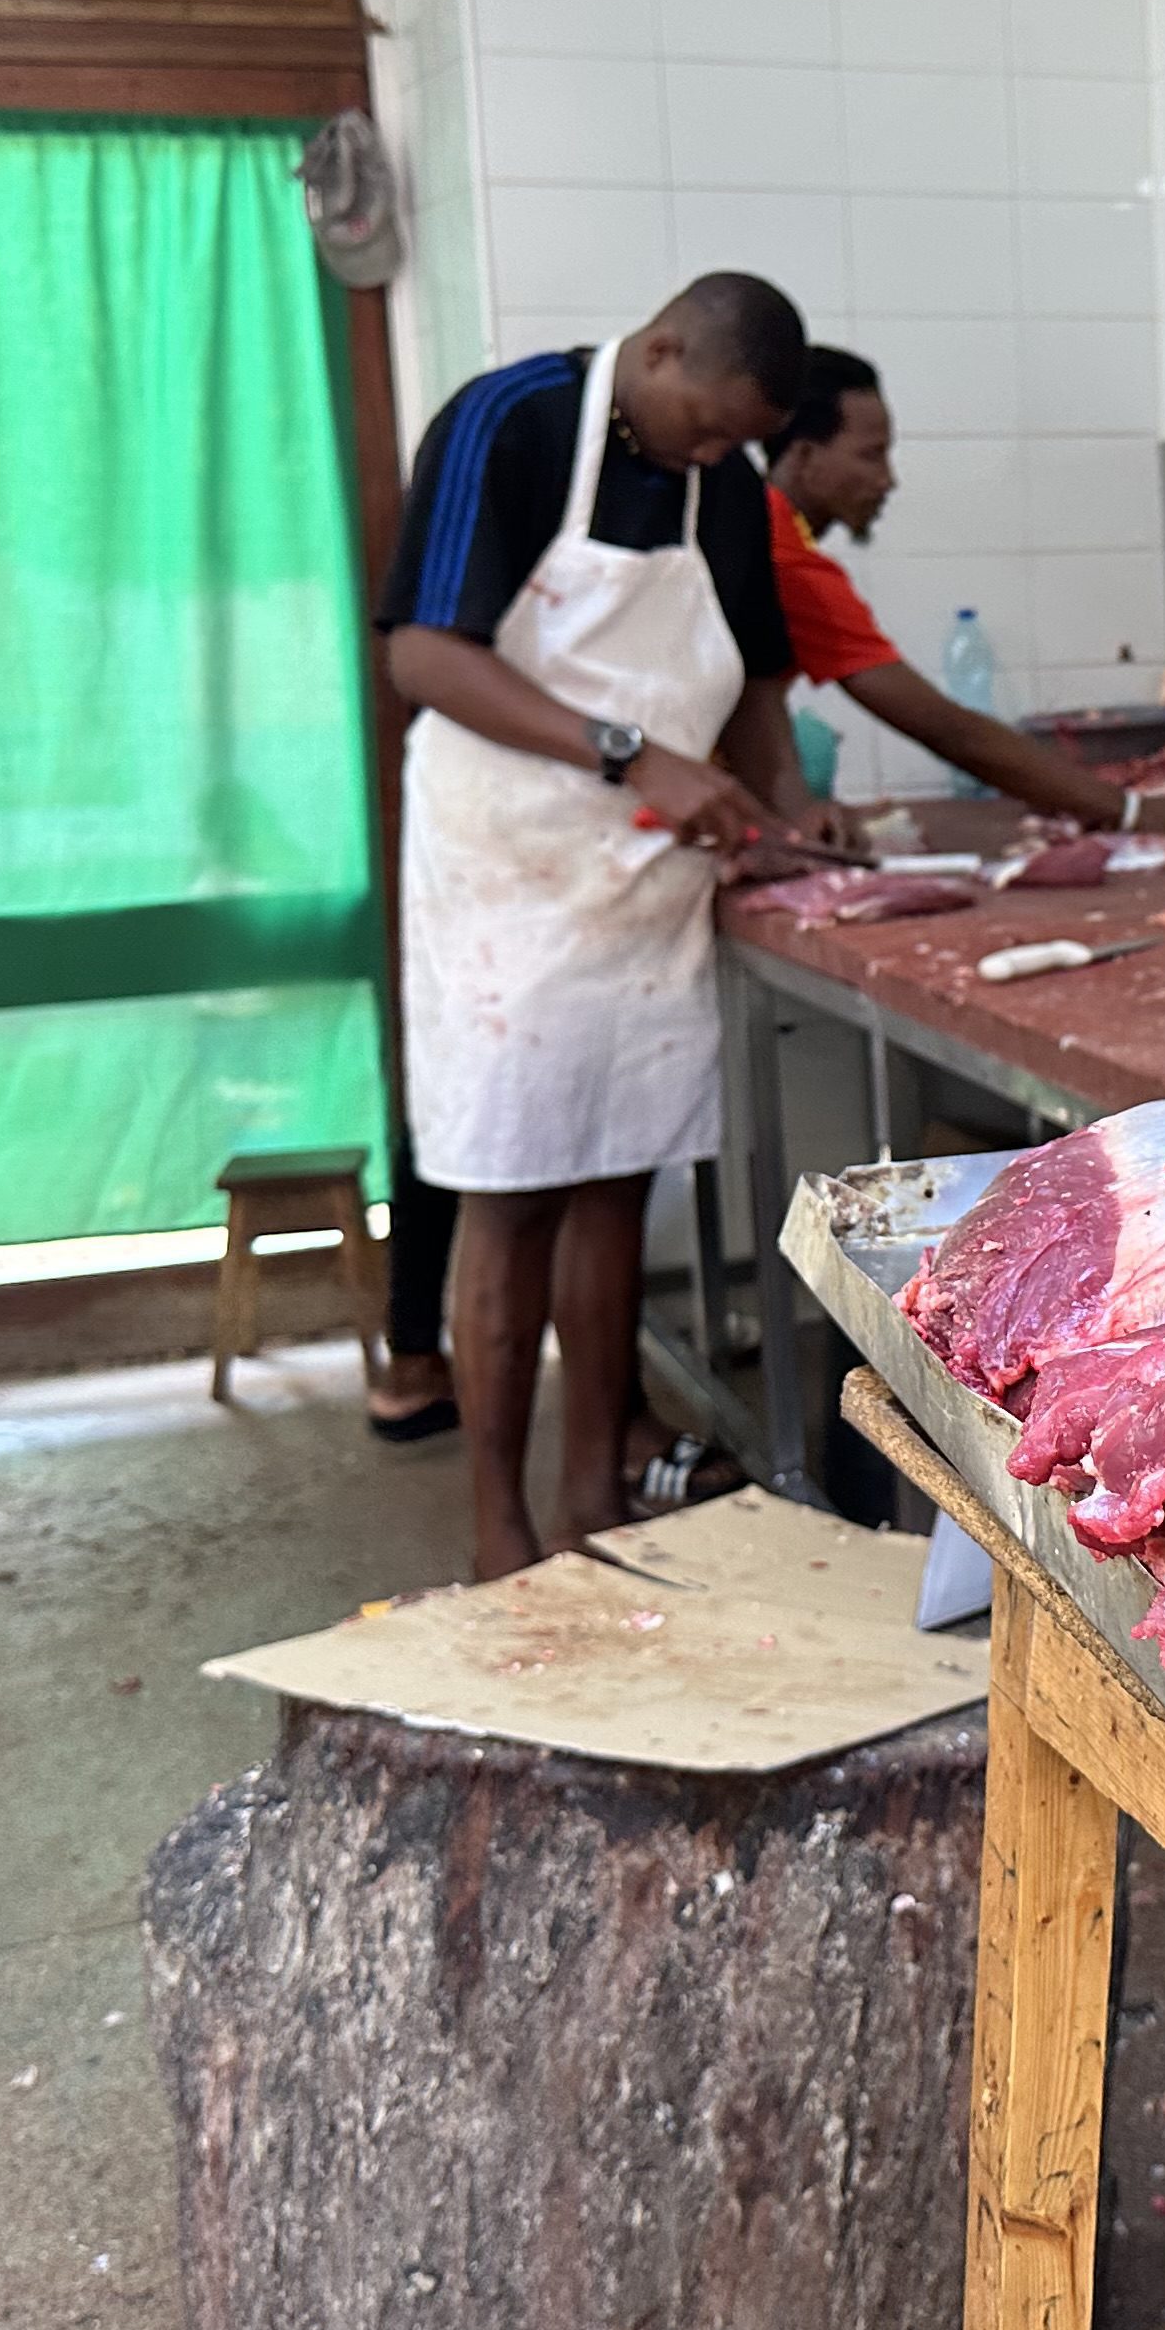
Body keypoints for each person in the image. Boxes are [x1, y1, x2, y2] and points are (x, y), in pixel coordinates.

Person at [377, 277, 837, 1579]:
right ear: (662, 344)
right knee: (511, 1187)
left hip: (643, 883)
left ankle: (591, 1495)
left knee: (616, 1176)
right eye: (702, 423)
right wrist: (633, 756)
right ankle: (498, 1530)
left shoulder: (727, 486)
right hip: (506, 870)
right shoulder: (508, 420)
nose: (710, 454)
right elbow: (423, 656)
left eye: (731, 437)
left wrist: (788, 814)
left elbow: (750, 675)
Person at [761, 348, 1165, 840]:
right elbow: (942, 726)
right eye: (870, 455)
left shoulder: (766, 531)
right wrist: (1132, 812)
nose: (888, 479)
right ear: (803, 457)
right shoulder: (783, 553)